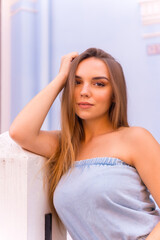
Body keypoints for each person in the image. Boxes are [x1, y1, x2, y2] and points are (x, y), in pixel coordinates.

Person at [9, 48, 160, 240]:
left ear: (114, 94)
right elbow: (20, 132)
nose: (84, 92)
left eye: (99, 84)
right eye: (76, 82)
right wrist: (62, 78)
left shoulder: (135, 139)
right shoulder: (65, 146)